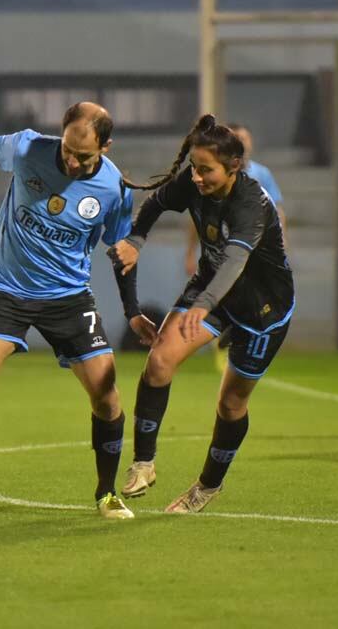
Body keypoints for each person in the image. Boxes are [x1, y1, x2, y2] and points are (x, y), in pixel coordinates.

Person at [0, 102, 158, 519]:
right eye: (67, 148)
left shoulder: (113, 189)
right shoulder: (29, 148)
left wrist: (133, 311)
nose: (70, 160)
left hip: (68, 297)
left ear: (105, 146)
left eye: (82, 155)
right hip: (7, 287)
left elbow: (121, 254)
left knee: (106, 395)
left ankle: (106, 493)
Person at [109, 114, 294, 513]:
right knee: (159, 361)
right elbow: (156, 203)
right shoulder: (193, 183)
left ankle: (207, 487)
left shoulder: (252, 204)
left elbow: (235, 262)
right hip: (211, 291)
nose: (197, 177)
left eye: (206, 169)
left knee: (230, 405)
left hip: (262, 309)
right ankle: (143, 463)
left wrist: (204, 305)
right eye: (194, 167)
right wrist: (137, 240)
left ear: (233, 168)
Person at [183, 123, 285, 278]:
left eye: (244, 139)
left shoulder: (262, 174)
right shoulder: (212, 178)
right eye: (235, 139)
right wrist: (190, 252)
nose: (240, 143)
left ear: (250, 142)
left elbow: (276, 210)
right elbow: (198, 216)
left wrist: (281, 243)